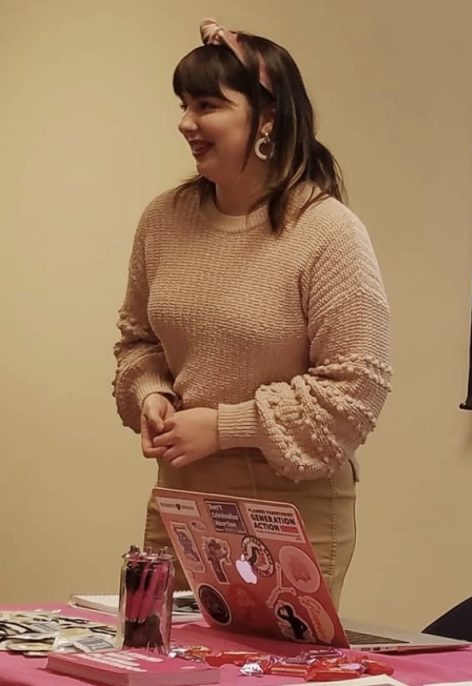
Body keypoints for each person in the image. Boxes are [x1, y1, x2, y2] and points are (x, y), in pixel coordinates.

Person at [112, 18, 391, 607]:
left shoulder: (326, 230)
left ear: (266, 118)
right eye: (184, 104)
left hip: (290, 507)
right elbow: (138, 342)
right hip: (182, 498)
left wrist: (223, 427)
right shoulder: (163, 220)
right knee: (165, 660)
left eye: (208, 105)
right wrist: (152, 394)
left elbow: (355, 392)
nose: (186, 123)